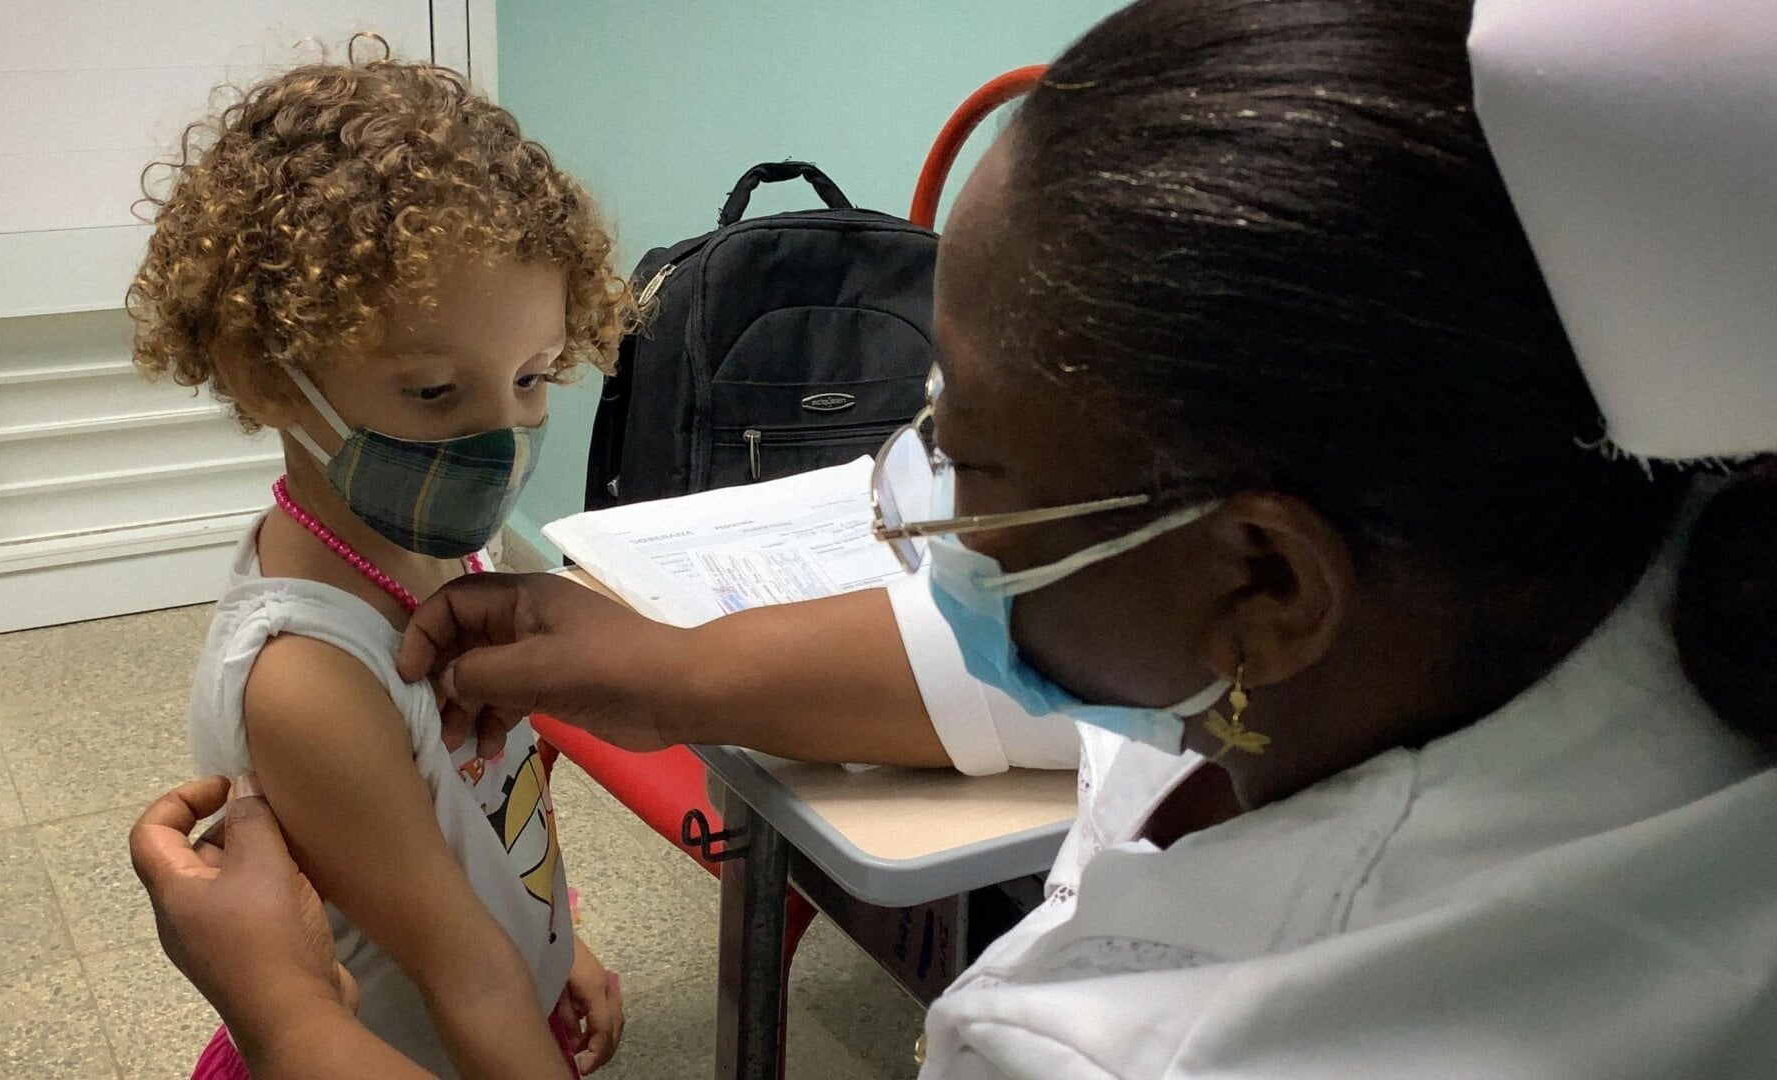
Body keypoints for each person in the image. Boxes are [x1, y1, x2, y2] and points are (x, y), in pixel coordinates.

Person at [134, 1, 1777, 1076]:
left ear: (1262, 582)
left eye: (972, 451)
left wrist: (282, 1005)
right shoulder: (1556, 559)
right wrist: (680, 671)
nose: (912, 498)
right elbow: (1042, 671)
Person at [127, 46, 631, 1079]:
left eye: (533, 377)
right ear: (265, 377)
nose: (502, 436)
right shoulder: (312, 677)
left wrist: (555, 942)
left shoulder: (440, 542)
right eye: (437, 394)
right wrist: (512, 980)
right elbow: (463, 976)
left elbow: (474, 818)